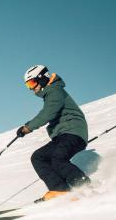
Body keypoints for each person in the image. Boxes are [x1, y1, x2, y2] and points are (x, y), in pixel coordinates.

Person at [17, 65, 90, 202]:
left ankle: (85, 186)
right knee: (38, 157)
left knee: (58, 158)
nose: (31, 88)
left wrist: (28, 128)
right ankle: (60, 189)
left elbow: (48, 113)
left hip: (73, 133)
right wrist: (27, 126)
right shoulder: (51, 93)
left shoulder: (55, 91)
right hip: (62, 136)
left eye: (32, 83)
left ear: (42, 78)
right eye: (28, 85)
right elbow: (48, 112)